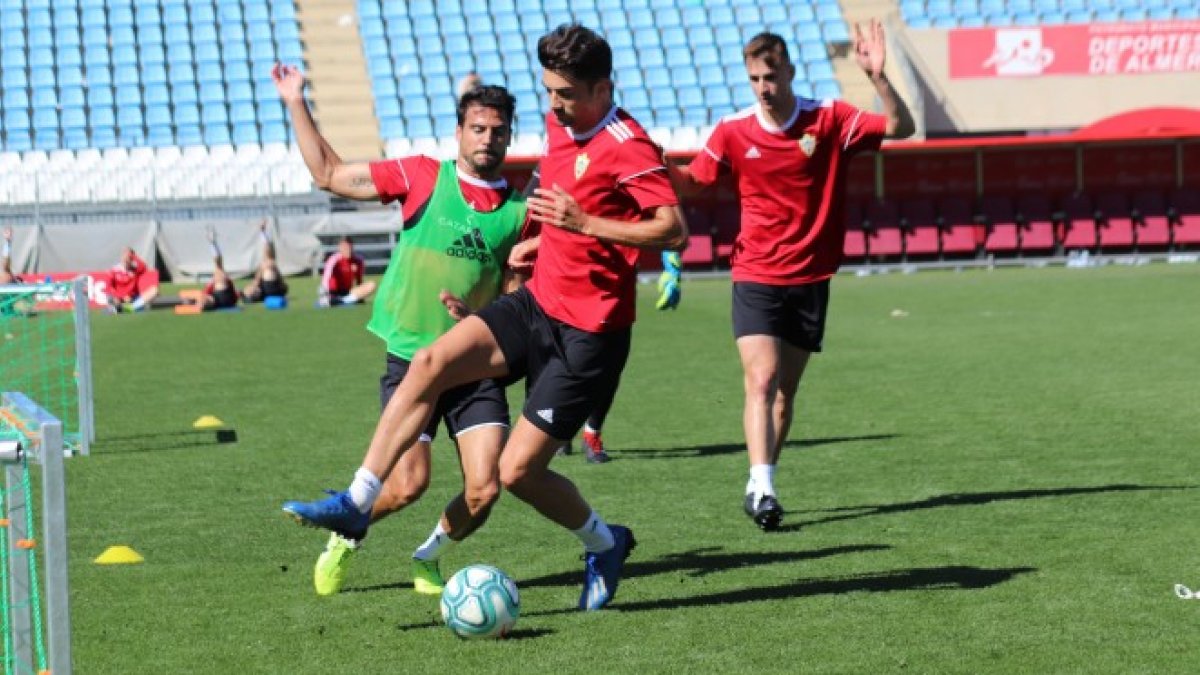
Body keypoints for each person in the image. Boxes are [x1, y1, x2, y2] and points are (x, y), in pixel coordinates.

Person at [282, 23, 687, 611]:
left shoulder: (630, 144)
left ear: (603, 89)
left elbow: (673, 229)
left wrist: (581, 225)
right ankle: (357, 498)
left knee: (516, 473)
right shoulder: (559, 120)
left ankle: (604, 543)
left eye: (566, 94)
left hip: (589, 334)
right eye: (548, 92)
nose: (554, 105)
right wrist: (544, 243)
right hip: (536, 303)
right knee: (431, 360)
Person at [272, 62, 530, 596]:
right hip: (412, 362)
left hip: (474, 366)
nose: (488, 138)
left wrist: (484, 316)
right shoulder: (421, 176)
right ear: (458, 133)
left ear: (510, 135)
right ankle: (346, 536)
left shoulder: (521, 212)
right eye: (477, 129)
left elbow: (513, 292)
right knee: (410, 483)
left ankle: (427, 556)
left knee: (485, 490)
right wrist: (296, 100)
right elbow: (330, 175)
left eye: (498, 130)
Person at [671, 22, 915, 531]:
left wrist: (879, 78)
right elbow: (693, 182)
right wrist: (650, 162)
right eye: (756, 78)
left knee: (785, 392)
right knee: (759, 379)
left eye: (773, 76)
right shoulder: (734, 130)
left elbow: (900, 128)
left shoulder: (827, 119)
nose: (765, 87)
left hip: (810, 276)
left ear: (791, 72)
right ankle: (763, 488)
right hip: (755, 271)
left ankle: (761, 476)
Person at [182, 227, 241, 311]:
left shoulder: (218, 282)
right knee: (219, 268)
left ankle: (212, 243)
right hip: (224, 297)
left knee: (219, 268)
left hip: (223, 297)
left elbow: (206, 295)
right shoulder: (221, 281)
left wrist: (196, 300)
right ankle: (212, 243)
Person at [318, 236, 377, 307]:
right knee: (325, 293)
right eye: (344, 247)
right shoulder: (334, 260)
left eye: (349, 247)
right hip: (333, 292)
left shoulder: (358, 261)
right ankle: (331, 299)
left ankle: (343, 300)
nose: (347, 250)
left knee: (372, 285)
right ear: (340, 248)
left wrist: (361, 294)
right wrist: (325, 291)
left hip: (347, 292)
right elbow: (326, 277)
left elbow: (359, 281)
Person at [241, 219, 289, 304]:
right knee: (267, 264)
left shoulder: (268, 267)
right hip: (271, 290)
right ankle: (263, 233)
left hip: (272, 289)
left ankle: (263, 234)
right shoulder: (269, 266)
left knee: (267, 264)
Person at [106, 247, 160, 313]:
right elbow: (109, 288)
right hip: (120, 298)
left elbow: (144, 266)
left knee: (154, 290)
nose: (126, 259)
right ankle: (119, 308)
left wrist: (133, 256)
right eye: (124, 256)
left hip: (133, 298)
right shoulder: (114, 270)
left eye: (129, 257)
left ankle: (132, 307)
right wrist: (122, 296)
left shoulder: (135, 269)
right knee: (114, 299)